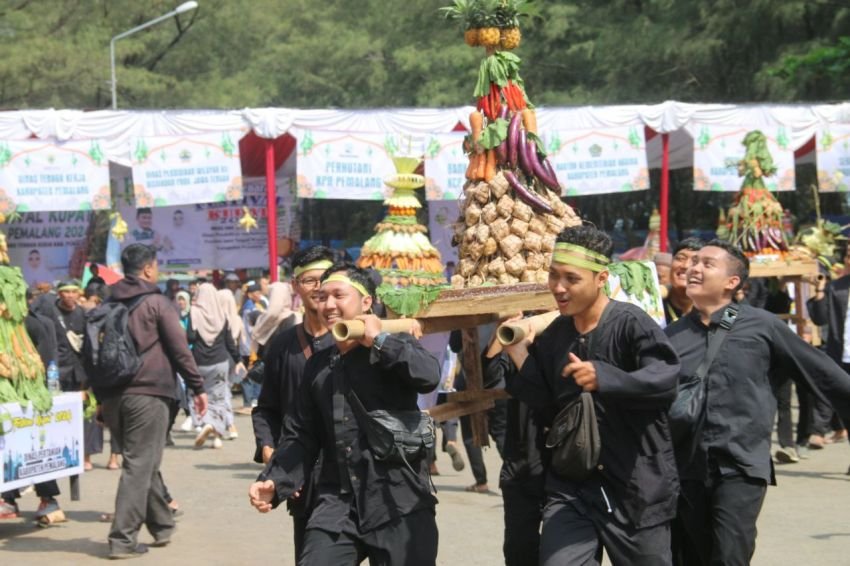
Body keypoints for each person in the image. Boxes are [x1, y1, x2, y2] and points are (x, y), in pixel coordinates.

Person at [501, 224, 681, 566]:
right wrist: (517, 351)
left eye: (571, 278)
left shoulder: (631, 323)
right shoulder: (556, 334)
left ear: (601, 278)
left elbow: (665, 378)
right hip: (572, 488)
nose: (558, 287)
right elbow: (543, 399)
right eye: (553, 276)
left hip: (635, 486)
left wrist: (607, 377)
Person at [665, 239, 850, 565]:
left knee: (730, 556)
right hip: (685, 469)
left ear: (732, 282)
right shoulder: (671, 337)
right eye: (693, 262)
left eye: (707, 264)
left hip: (741, 464)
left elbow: (825, 376)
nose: (694, 268)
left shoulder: (762, 326)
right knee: (689, 557)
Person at [248, 262, 441, 566]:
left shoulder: (394, 344)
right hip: (338, 503)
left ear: (366, 302)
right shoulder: (319, 366)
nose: (328, 304)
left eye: (339, 295)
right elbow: (301, 435)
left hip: (399, 502)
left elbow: (429, 374)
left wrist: (380, 341)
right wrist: (275, 482)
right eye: (322, 296)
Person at [99, 243, 207, 559]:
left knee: (145, 462)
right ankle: (122, 539)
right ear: (148, 268)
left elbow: (94, 353)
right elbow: (179, 348)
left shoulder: (107, 302)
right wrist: (198, 388)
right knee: (139, 465)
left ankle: (161, 524)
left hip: (112, 395)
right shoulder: (157, 303)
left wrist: (98, 400)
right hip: (148, 393)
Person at [251, 246, 333, 562]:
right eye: (309, 281)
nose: (318, 288)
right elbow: (266, 408)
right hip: (305, 477)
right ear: (296, 287)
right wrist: (272, 452)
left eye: (325, 280)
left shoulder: (354, 340)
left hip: (355, 474)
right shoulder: (284, 345)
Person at [1, 289, 63, 520]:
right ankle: (7, 499)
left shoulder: (31, 324)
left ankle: (48, 499)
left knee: (35, 450)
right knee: (7, 450)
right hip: (6, 397)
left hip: (29, 397)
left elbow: (46, 360)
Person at [188, 283, 243, 449]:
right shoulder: (222, 315)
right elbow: (229, 342)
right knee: (219, 399)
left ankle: (206, 423)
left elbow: (189, 337)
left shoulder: (194, 312)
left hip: (200, 363)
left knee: (199, 395)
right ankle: (217, 436)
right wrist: (238, 359)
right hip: (220, 362)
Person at [807, 246, 850, 449]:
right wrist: (819, 291)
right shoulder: (837, 287)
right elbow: (820, 318)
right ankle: (818, 431)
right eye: (848, 254)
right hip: (841, 355)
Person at [217, 288, 245, 439]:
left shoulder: (217, 318)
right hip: (233, 358)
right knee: (225, 391)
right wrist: (240, 359)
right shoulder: (237, 318)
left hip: (218, 357)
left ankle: (229, 424)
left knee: (220, 392)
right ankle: (226, 423)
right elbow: (243, 342)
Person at [663, 238, 703, 325]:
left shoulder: (713, 311)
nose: (685, 266)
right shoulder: (653, 306)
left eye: (695, 261)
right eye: (680, 258)